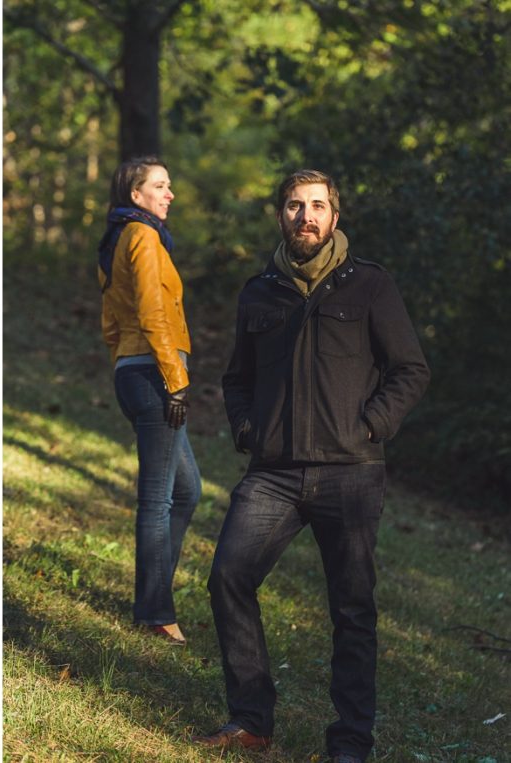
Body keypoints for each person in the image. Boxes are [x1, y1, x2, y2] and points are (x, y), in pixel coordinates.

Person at [194, 170, 429, 762]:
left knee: (352, 607)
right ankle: (251, 718)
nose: (307, 216)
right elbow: (236, 378)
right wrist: (247, 427)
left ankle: (350, 742)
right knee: (228, 576)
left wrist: (371, 425)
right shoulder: (259, 292)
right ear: (280, 215)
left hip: (350, 470)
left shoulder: (369, 286)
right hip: (273, 472)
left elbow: (410, 370)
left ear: (335, 215)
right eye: (296, 206)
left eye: (318, 206)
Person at [97, 156, 201, 646]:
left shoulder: (121, 237)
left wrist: (126, 362)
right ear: (135, 195)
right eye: (160, 185)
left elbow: (110, 323)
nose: (170, 193)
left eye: (169, 184)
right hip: (155, 372)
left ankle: (153, 594)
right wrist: (173, 377)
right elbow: (151, 310)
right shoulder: (142, 237)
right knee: (159, 499)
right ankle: (156, 611)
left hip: (137, 368)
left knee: (188, 491)